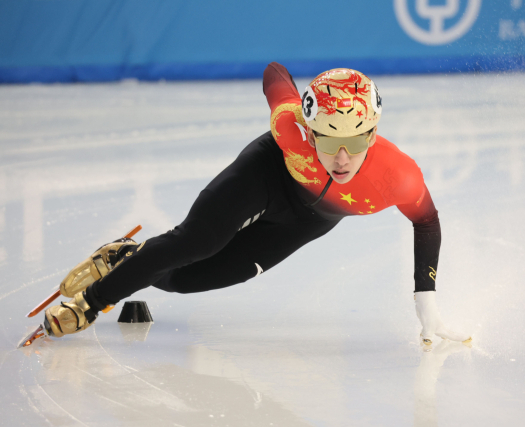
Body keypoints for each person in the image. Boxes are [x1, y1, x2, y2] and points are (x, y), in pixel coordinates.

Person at [43, 63, 470, 345]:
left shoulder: (398, 175)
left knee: (193, 279)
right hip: (268, 174)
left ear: (373, 134)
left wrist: (425, 303)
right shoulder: (291, 128)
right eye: (329, 141)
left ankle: (126, 258)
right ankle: (91, 302)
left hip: (307, 222)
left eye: (356, 141)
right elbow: (274, 73)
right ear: (310, 129)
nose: (342, 158)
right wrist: (285, 102)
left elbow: (427, 223)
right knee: (196, 242)